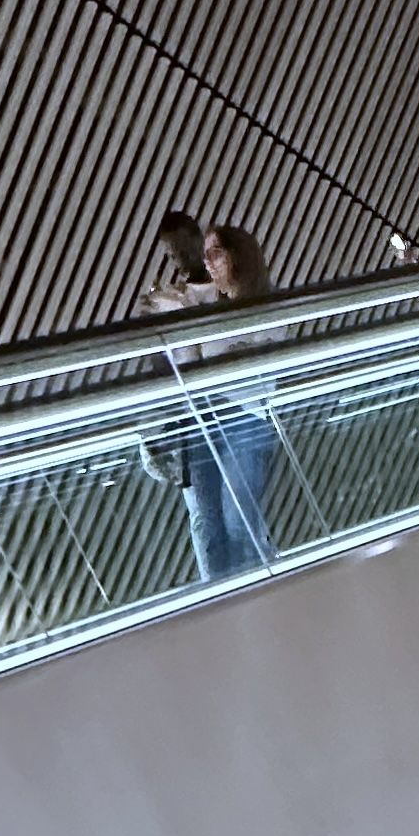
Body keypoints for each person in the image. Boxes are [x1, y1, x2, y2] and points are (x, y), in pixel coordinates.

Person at [174, 223, 278, 578]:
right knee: (209, 525)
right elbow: (191, 365)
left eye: (215, 253)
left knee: (238, 520)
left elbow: (250, 363)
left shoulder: (264, 307)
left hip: (245, 417)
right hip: (204, 418)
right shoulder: (212, 310)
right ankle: (221, 596)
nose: (208, 262)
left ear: (239, 256)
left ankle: (261, 589)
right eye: (205, 255)